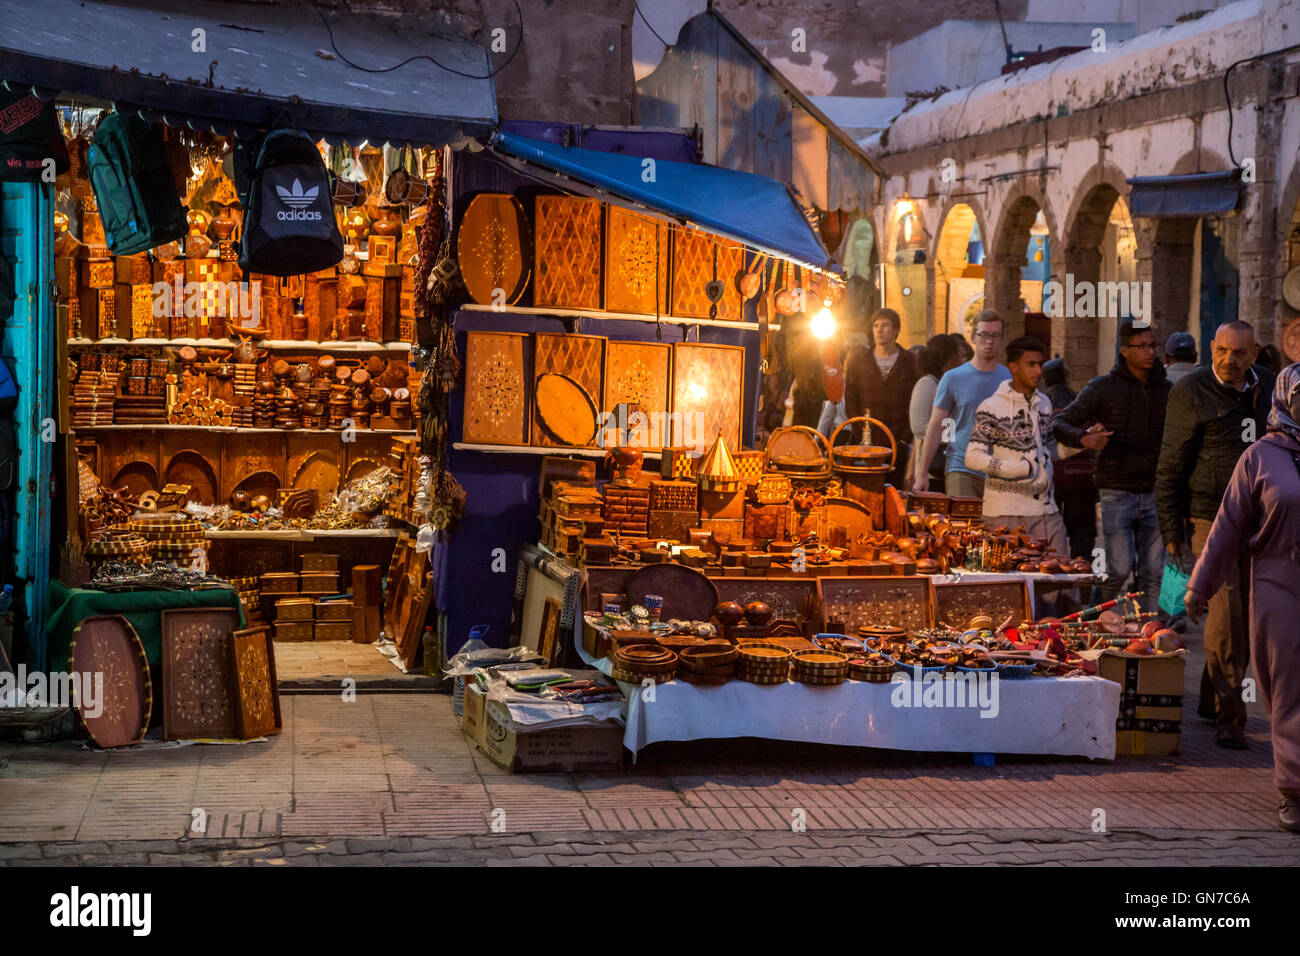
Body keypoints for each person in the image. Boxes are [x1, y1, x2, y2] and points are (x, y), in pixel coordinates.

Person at [1183, 363, 1300, 831]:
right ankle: (1293, 789)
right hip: (1277, 581)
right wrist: (1200, 586)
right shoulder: (1261, 456)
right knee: (1288, 687)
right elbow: (1227, 527)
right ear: (1287, 398)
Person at [1156, 320, 1273, 749]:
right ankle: (1231, 715)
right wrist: (1172, 528)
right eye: (1222, 350)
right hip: (1211, 518)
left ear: (1254, 353)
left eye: (1239, 353)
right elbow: (1171, 463)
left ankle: (1211, 697)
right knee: (1224, 616)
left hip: (1262, 520)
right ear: (1211, 348)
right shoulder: (1192, 392)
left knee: (1248, 615)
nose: (1229, 360)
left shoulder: (1271, 390)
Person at [1054, 321, 1171, 616]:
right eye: (1141, 346)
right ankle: (1091, 617)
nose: (1149, 352)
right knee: (1118, 568)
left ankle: (1148, 632)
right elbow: (1060, 422)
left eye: (1152, 345)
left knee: (1152, 572)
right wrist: (1085, 438)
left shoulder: (1167, 390)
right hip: (1116, 489)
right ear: (1125, 350)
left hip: (1155, 489)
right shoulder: (1103, 388)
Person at [965, 337, 1070, 566]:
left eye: (1040, 364)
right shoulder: (991, 407)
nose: (1038, 370)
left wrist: (1084, 442)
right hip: (1005, 512)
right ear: (1013, 367)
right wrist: (1019, 469)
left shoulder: (1044, 403)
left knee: (1060, 582)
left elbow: (1048, 451)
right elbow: (973, 456)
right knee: (1012, 587)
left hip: (1046, 510)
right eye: (1031, 364)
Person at [913, 311, 1011, 498]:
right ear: (973, 337)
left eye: (995, 335)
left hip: (1000, 471)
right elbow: (935, 426)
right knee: (962, 524)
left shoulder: (1008, 379)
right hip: (961, 467)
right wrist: (922, 473)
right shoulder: (953, 378)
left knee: (998, 527)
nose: (989, 341)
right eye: (984, 335)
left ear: (1001, 338)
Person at [844, 308, 919, 485]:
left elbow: (915, 400)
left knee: (893, 491)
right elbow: (851, 397)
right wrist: (858, 428)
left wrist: (905, 438)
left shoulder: (910, 361)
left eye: (885, 325)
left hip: (897, 440)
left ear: (895, 330)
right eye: (876, 326)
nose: (879, 330)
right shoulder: (860, 360)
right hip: (865, 438)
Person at [1042, 357, 1097, 561]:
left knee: (1049, 541)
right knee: (1082, 541)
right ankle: (1081, 585)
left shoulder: (1042, 404)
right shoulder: (1079, 401)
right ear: (1066, 377)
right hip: (1082, 482)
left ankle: (1055, 584)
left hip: (1051, 481)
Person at [904, 334, 963, 488]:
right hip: (931, 467)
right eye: (958, 355)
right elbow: (919, 426)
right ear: (949, 358)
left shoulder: (949, 384)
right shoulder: (927, 384)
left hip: (950, 466)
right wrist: (952, 432)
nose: (961, 361)